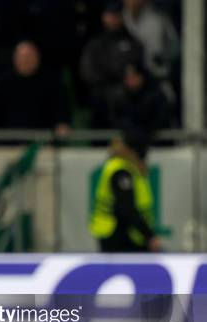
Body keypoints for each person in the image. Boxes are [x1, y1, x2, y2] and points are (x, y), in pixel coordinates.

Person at [90, 129, 161, 252]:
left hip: (120, 233)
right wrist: (149, 236)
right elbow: (126, 208)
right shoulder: (121, 171)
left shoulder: (123, 167)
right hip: (119, 236)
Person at [80, 0, 144, 128]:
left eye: (117, 14)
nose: (113, 19)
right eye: (110, 15)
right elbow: (88, 73)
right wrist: (116, 78)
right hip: (102, 99)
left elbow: (138, 69)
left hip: (128, 99)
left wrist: (133, 79)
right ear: (103, 17)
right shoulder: (95, 44)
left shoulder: (133, 41)